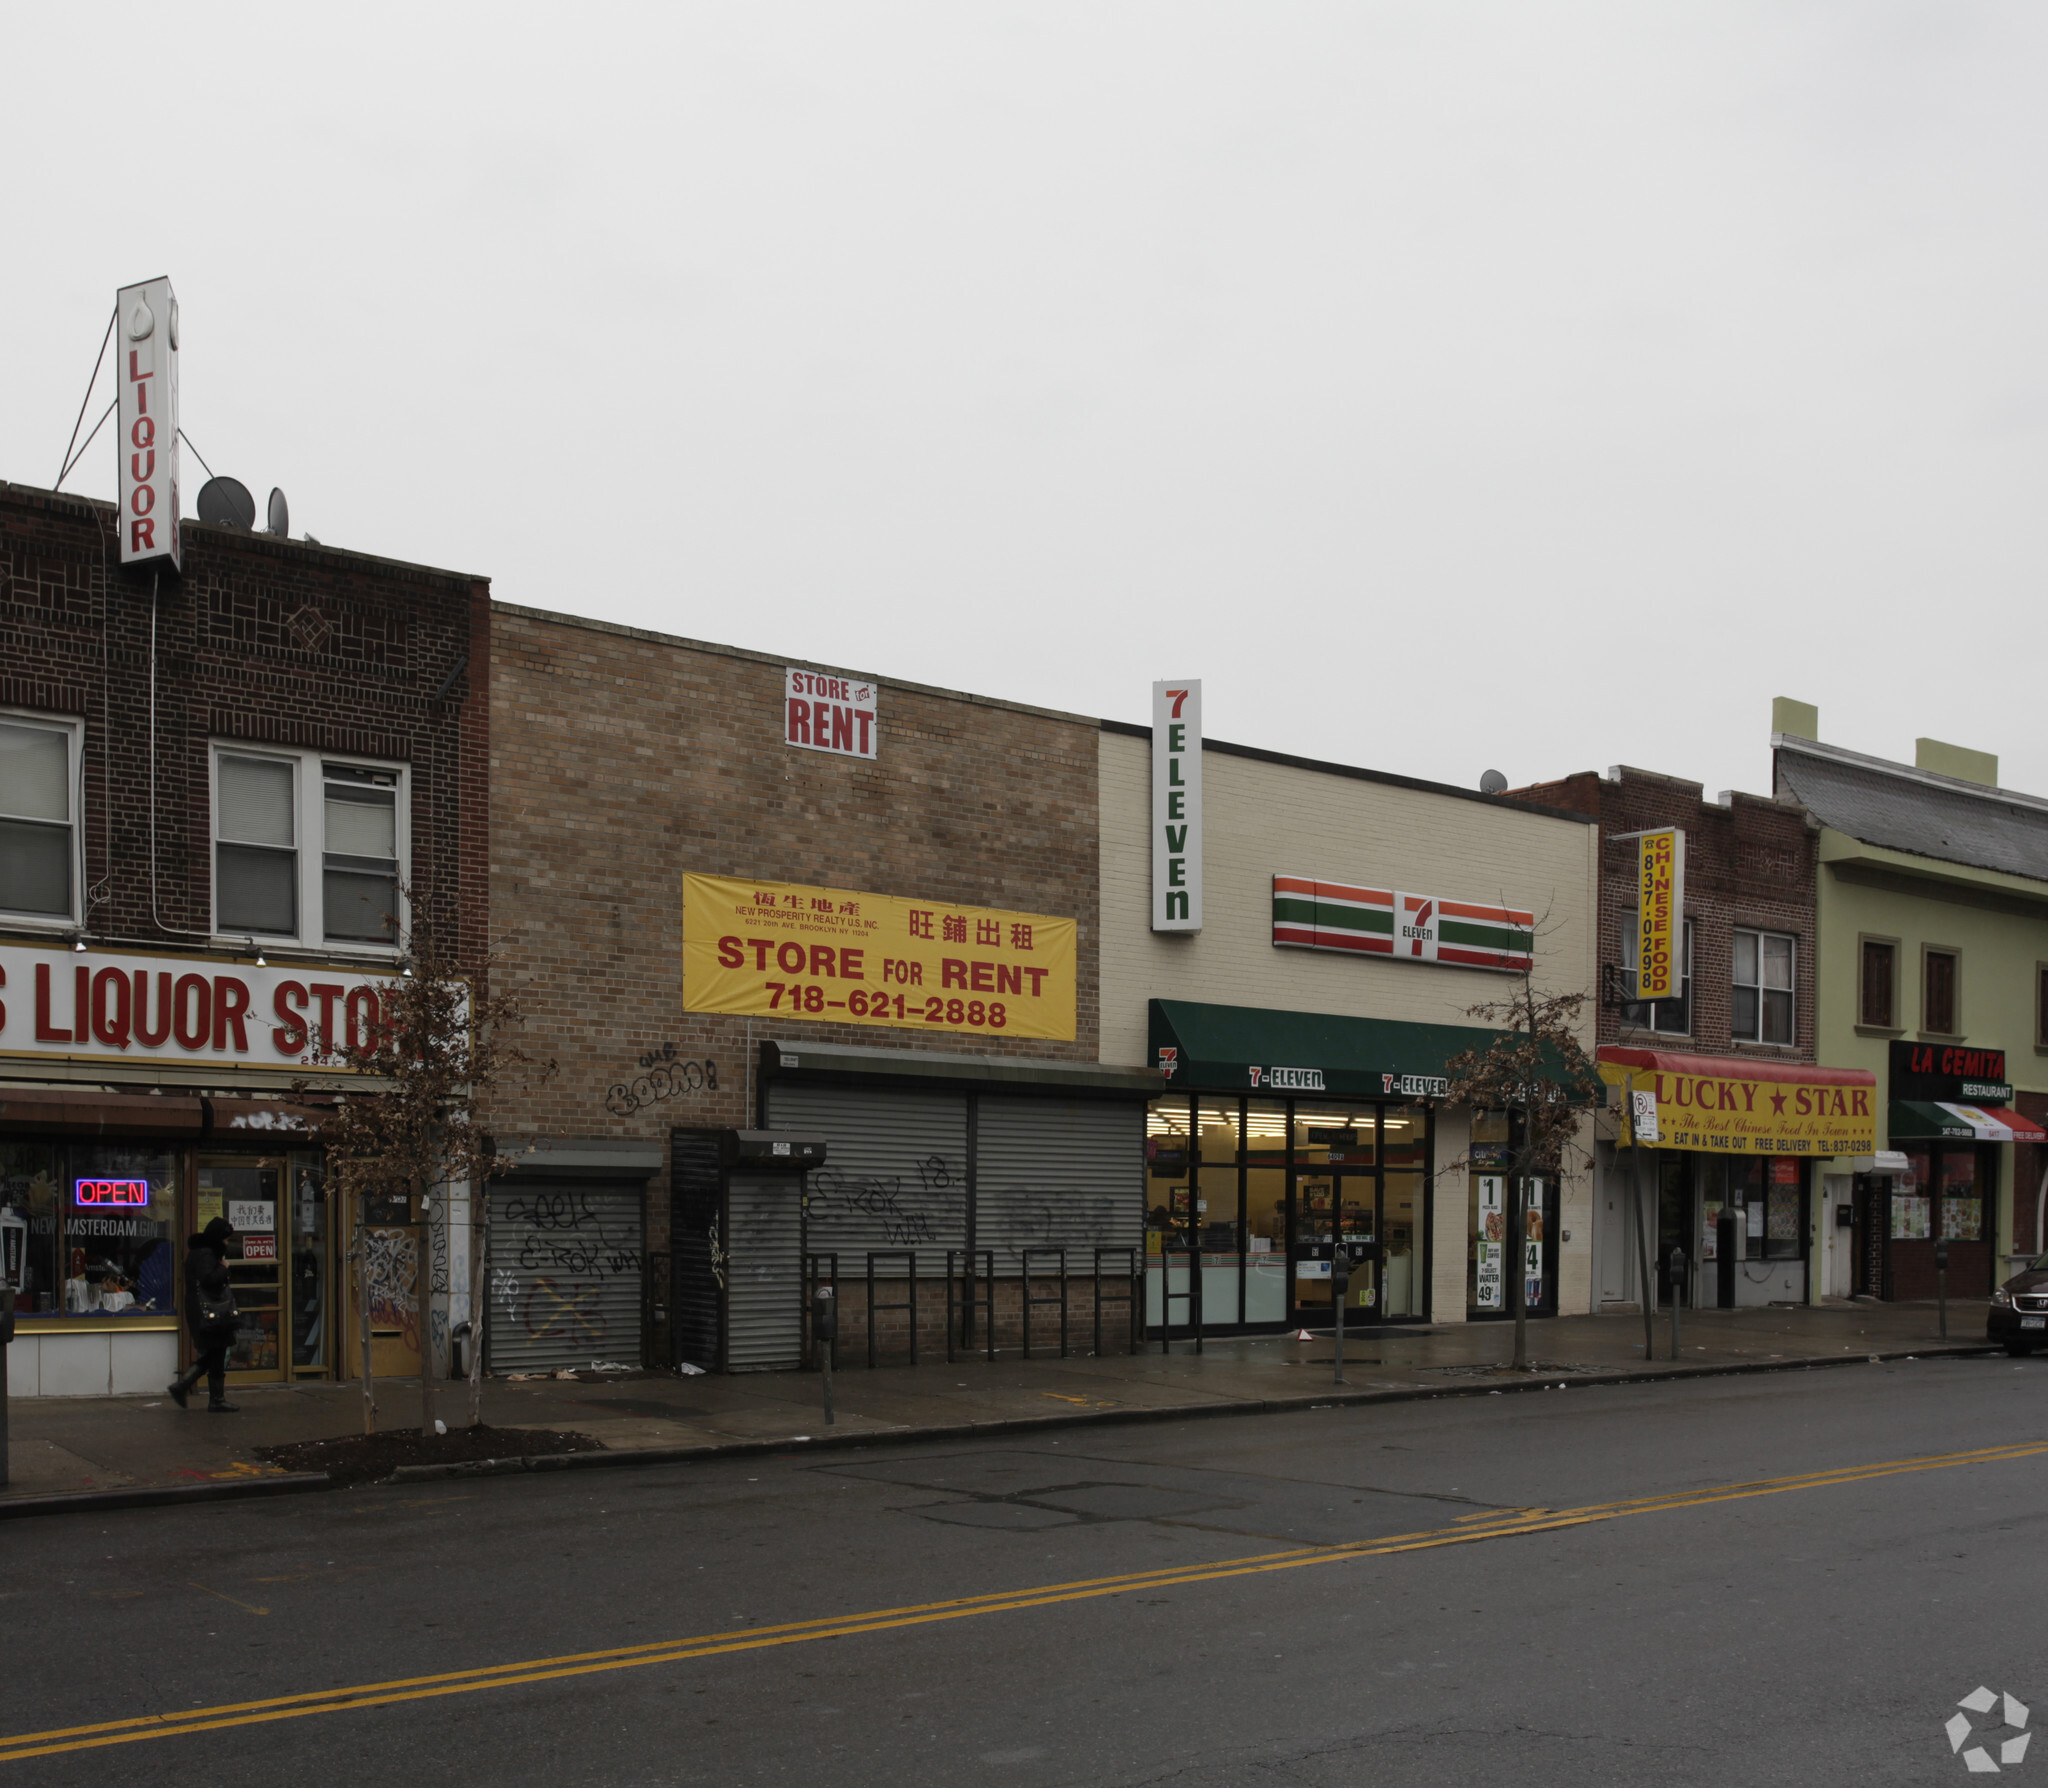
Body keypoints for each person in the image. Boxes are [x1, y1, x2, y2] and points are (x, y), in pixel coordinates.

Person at [168, 1217, 239, 1412]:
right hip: (209, 1313)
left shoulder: (200, 1252)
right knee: (215, 1353)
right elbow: (208, 1279)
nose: (226, 1243)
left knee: (216, 1353)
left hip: (204, 1312)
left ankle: (213, 1397)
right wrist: (224, 1269)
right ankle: (186, 1386)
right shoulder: (206, 1253)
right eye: (225, 1239)